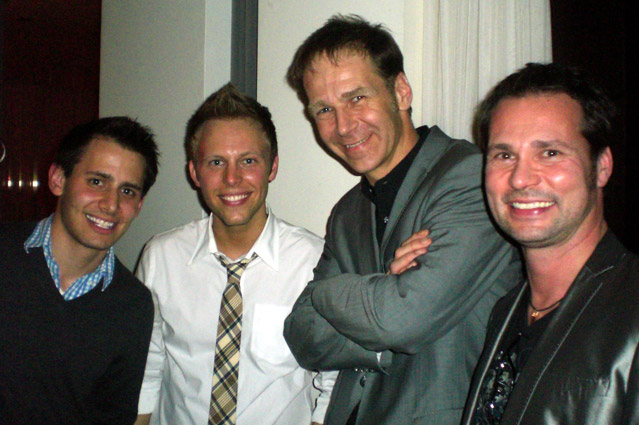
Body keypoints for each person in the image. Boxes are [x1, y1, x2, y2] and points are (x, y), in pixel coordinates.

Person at [283, 15, 521, 425]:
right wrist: (385, 294)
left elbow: (401, 320)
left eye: (357, 98)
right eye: (324, 109)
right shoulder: (347, 212)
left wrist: (322, 294)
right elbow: (302, 335)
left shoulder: (471, 178)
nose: (343, 126)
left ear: (401, 91)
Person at [134, 83, 335, 425]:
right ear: (194, 173)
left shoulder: (315, 262)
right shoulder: (161, 258)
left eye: (248, 161)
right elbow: (146, 371)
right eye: (216, 162)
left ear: (272, 167)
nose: (232, 178)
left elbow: (332, 385)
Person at [460, 62, 639, 424]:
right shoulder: (505, 311)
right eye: (504, 155)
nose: (520, 178)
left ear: (601, 167)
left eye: (550, 153)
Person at [0, 116, 160, 424]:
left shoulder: (133, 305)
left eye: (128, 191)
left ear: (139, 206)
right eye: (97, 182)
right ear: (58, 180)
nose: (111, 204)